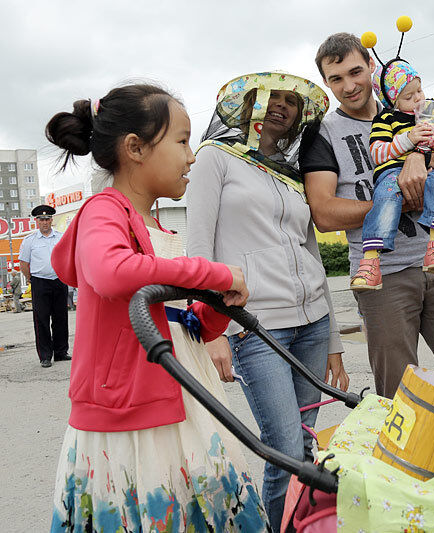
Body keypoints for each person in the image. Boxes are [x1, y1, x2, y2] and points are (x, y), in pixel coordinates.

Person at [45, 84, 267, 531]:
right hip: (131, 415)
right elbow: (111, 272)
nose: (192, 156)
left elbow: (189, 327)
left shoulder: (158, 228)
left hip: (185, 396)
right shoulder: (103, 211)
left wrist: (219, 307)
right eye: (182, 141)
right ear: (135, 149)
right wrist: (213, 274)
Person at [186, 71, 349, 529]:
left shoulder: (295, 176)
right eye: (270, 97)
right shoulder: (215, 158)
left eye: (291, 102)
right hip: (256, 326)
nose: (281, 105)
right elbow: (198, 247)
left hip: (313, 323)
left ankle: (303, 524)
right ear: (249, 105)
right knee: (284, 448)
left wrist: (334, 337)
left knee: (307, 444)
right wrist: (210, 329)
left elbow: (311, 253)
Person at [300, 32, 434, 397]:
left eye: (355, 72)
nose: (348, 86)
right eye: (336, 79)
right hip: (382, 278)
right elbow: (325, 213)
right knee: (399, 394)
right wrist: (393, 205)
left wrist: (418, 155)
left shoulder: (407, 110)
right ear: (326, 83)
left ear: (371, 68)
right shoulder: (323, 133)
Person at [352, 56, 434, 289]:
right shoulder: (386, 118)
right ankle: (370, 261)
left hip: (431, 170)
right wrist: (408, 140)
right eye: (408, 96)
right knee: (386, 196)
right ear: (393, 101)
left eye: (419, 89)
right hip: (392, 172)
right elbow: (377, 153)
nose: (418, 98)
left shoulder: (430, 110)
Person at [19, 204, 70, 367]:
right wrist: (31, 279)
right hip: (40, 282)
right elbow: (24, 264)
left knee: (61, 318)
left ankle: (61, 352)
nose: (45, 222)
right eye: (41, 220)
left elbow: (67, 258)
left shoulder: (61, 238)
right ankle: (45, 356)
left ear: (51, 220)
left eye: (47, 219)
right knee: (41, 320)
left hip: (59, 281)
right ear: (37, 221)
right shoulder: (29, 241)